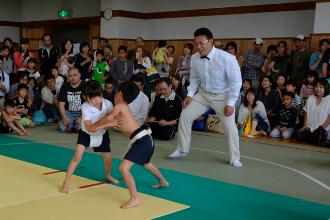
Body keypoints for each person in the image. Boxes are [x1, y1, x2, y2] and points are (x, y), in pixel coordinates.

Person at [87, 81, 169, 209]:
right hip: (144, 139)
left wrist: (94, 126)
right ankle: (163, 181)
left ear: (119, 94)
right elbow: (112, 123)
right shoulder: (125, 108)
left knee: (123, 168)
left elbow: (109, 119)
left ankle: (135, 198)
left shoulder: (120, 106)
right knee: (145, 163)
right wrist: (98, 126)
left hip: (141, 139)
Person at [168, 28, 242, 167]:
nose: (199, 47)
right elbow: (195, 78)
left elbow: (236, 83)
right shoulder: (195, 58)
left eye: (201, 43)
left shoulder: (227, 58)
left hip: (223, 96)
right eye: (196, 44)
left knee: (230, 127)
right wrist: (190, 95)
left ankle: (234, 158)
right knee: (185, 115)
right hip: (203, 95)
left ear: (211, 41)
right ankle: (182, 149)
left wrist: (231, 103)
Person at [60, 80, 119, 193]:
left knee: (108, 160)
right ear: (86, 98)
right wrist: (109, 123)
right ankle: (66, 182)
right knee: (77, 158)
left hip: (102, 134)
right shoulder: (85, 107)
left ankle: (108, 175)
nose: (97, 100)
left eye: (99, 96)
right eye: (93, 98)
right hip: (86, 134)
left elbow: (115, 118)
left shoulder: (108, 104)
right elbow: (89, 127)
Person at [58, 68, 85, 133]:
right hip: (69, 113)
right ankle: (71, 124)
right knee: (62, 129)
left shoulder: (85, 85)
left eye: (75, 75)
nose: (72, 78)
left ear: (79, 75)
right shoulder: (64, 87)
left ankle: (75, 125)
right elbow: (61, 105)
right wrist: (64, 118)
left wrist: (82, 117)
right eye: (70, 76)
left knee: (82, 129)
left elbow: (90, 105)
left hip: (82, 113)